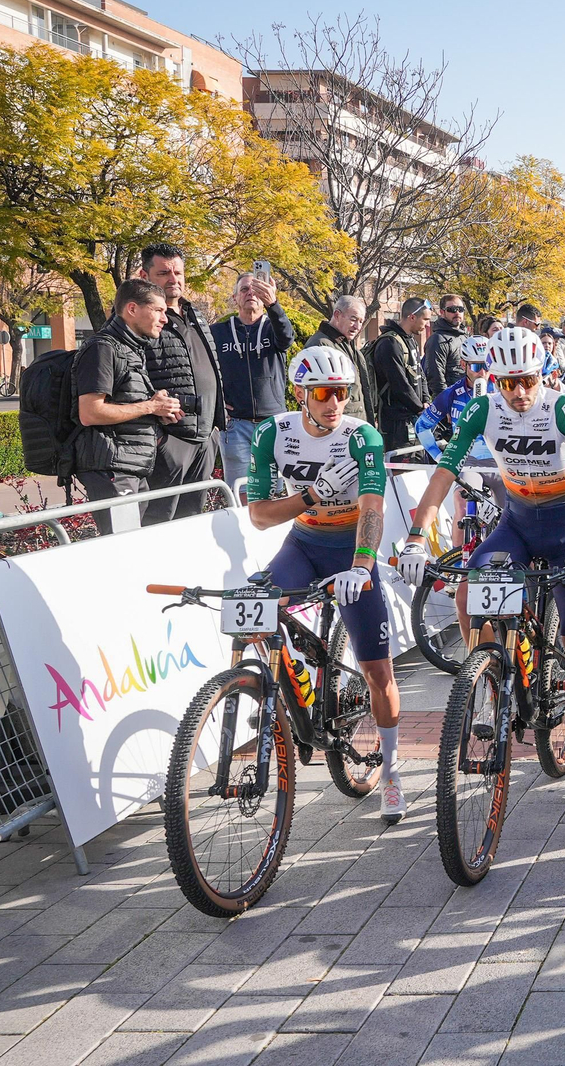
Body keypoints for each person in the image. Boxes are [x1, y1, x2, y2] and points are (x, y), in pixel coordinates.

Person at [396, 327, 565, 810]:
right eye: (507, 382)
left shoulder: (564, 407)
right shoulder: (481, 409)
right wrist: (416, 537)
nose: (518, 393)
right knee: (466, 593)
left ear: (543, 374)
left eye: (528, 381)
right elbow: (444, 473)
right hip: (516, 523)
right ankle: (487, 683)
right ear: (493, 379)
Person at [247, 345, 406, 820]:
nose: (334, 402)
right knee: (256, 610)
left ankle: (393, 774)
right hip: (304, 542)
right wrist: (312, 494)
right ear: (300, 394)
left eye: (341, 392)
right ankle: (299, 695)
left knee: (379, 672)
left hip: (351, 547)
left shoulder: (363, 437)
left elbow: (373, 509)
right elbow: (259, 518)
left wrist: (361, 566)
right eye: (322, 393)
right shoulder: (271, 433)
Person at [74, 279, 180, 534]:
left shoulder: (131, 348)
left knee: (134, 547)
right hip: (113, 469)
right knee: (121, 549)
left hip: (131, 466)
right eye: (158, 310)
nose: (165, 319)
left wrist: (159, 412)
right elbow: (90, 412)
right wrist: (150, 407)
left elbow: (127, 404)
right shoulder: (102, 348)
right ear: (132, 309)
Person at [139, 243, 223, 523]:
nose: (173, 279)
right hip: (170, 438)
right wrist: (159, 434)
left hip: (204, 435)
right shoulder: (140, 318)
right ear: (144, 276)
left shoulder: (195, 313)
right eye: (163, 273)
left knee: (193, 520)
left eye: (178, 272)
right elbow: (127, 372)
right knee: (159, 521)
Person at [211, 272, 297, 497]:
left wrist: (274, 305)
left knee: (276, 490)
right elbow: (206, 371)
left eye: (256, 289)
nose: (251, 293)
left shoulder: (274, 327)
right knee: (240, 490)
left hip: (273, 423)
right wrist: (217, 403)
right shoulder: (218, 333)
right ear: (234, 298)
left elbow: (287, 339)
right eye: (245, 290)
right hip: (236, 424)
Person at [413, 335, 492, 466]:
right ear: (463, 364)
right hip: (467, 465)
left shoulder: (504, 389)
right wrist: (439, 457)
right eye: (476, 367)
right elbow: (422, 426)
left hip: (500, 465)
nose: (483, 373)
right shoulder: (452, 394)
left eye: (487, 365)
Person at [372, 299, 431, 452]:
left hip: (414, 418)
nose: (427, 325)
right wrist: (419, 408)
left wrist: (426, 401)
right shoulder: (389, 343)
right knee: (401, 469)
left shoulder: (410, 340)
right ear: (412, 317)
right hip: (395, 423)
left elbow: (420, 374)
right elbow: (399, 383)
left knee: (417, 468)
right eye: (425, 319)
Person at [305, 297, 375, 421]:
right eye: (353, 319)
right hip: (339, 424)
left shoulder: (349, 345)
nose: (357, 326)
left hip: (357, 422)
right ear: (337, 315)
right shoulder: (321, 345)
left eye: (361, 321)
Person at [422, 295, 471, 392]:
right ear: (442, 312)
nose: (457, 313)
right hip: (450, 398)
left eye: (460, 309)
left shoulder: (465, 336)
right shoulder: (437, 339)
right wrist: (445, 400)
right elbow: (435, 377)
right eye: (452, 309)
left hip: (467, 395)